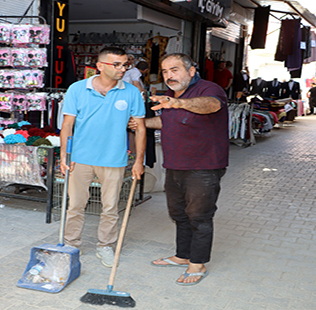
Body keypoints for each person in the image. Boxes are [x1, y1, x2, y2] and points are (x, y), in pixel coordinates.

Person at [129, 53, 228, 285]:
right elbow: (169, 121)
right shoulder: (171, 95)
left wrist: (177, 102)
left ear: (191, 71)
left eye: (175, 70)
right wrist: (142, 123)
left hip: (204, 166)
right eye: (165, 71)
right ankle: (183, 255)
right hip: (175, 164)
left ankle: (198, 263)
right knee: (179, 214)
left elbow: (211, 106)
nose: (169, 76)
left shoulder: (208, 89)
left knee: (199, 216)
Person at [59, 46, 146, 268]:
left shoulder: (131, 92)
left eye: (125, 64)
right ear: (100, 66)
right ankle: (71, 244)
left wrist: (138, 161)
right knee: (76, 205)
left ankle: (105, 245)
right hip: (80, 157)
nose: (122, 69)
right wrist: (64, 156)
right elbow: (67, 125)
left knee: (110, 208)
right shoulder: (77, 89)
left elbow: (141, 128)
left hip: (114, 158)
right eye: (116, 64)